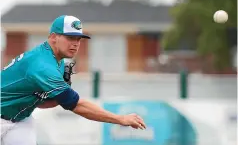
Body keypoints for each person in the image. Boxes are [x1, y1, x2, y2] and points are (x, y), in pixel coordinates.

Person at [1, 15, 146, 145]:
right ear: (53, 37)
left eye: (78, 39)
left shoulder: (56, 60)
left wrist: (59, 98)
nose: (76, 43)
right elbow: (76, 104)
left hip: (20, 119)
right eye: (70, 37)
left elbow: (42, 103)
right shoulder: (43, 66)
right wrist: (120, 118)